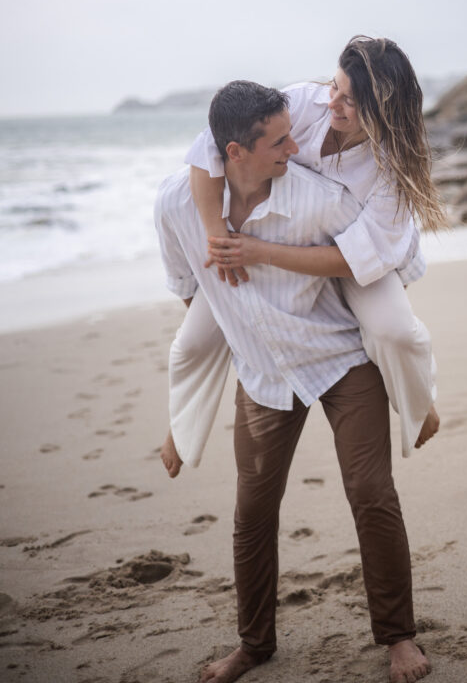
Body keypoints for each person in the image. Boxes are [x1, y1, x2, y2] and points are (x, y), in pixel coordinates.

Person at [154, 80, 431, 683]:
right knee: (252, 510)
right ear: (233, 152)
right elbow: (187, 294)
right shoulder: (177, 204)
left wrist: (396, 350)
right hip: (263, 371)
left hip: (338, 358)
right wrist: (230, 337)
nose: (295, 147)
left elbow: (387, 263)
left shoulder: (319, 198)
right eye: (279, 143)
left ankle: (399, 636)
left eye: (290, 135)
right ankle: (254, 646)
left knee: (370, 491)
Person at [161, 35, 447, 478]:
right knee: (192, 343)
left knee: (393, 332)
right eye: (335, 86)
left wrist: (260, 252)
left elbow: (354, 260)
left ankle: (417, 402)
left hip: (355, 254)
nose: (333, 103)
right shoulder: (304, 102)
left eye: (350, 101)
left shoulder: (392, 165)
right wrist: (220, 241)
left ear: (381, 111)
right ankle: (181, 431)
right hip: (287, 230)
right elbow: (209, 150)